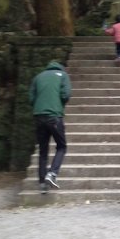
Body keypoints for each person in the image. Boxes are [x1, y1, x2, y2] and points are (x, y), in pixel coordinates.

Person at [29, 59, 71, 191]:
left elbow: (31, 98)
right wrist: (59, 105)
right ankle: (52, 173)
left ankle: (42, 183)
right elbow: (66, 94)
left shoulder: (38, 77)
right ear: (61, 67)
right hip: (54, 117)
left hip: (39, 116)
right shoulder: (63, 75)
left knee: (43, 150)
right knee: (61, 146)